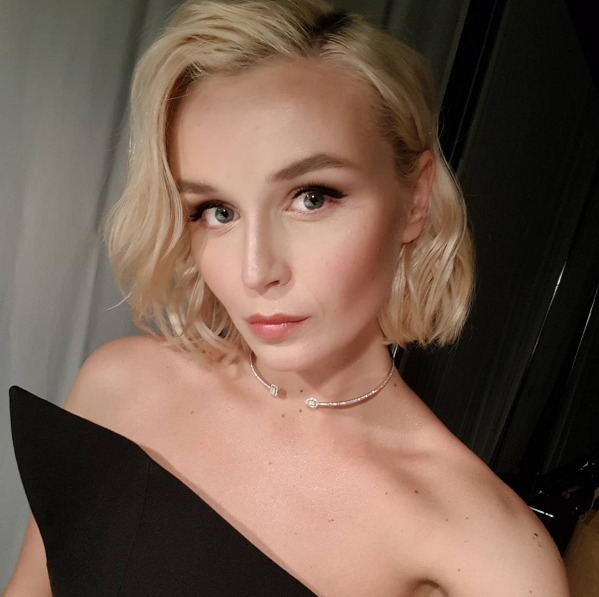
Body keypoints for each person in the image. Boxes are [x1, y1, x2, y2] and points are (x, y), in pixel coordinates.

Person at [5, 1, 570, 596]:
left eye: (312, 197)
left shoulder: (486, 554)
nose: (256, 271)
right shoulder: (119, 388)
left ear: (416, 199)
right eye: (217, 211)